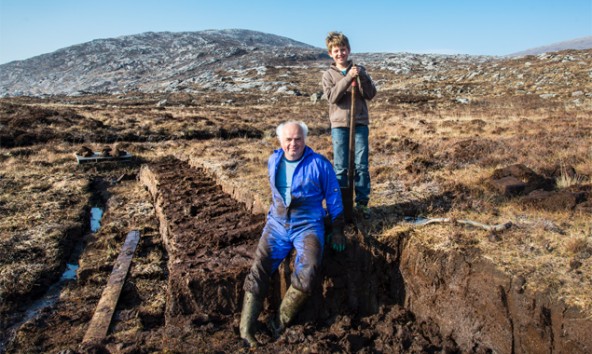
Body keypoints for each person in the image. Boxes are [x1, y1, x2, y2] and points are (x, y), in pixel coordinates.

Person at [239, 121, 346, 348]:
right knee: (260, 265)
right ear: (280, 141)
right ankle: (246, 328)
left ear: (305, 140)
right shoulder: (273, 160)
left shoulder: (319, 164)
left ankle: (277, 323)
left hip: (308, 225)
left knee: (309, 266)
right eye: (288, 139)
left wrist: (337, 228)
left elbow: (335, 199)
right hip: (277, 224)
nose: (293, 144)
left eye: (298, 139)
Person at [322, 31, 377, 219]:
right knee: (340, 167)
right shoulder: (328, 75)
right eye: (336, 51)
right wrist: (347, 79)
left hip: (359, 123)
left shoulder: (360, 70)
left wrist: (361, 77)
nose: (340, 54)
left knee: (361, 165)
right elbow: (332, 97)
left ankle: (362, 204)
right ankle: (340, 205)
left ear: (349, 50)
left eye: (343, 50)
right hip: (339, 125)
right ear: (331, 53)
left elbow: (370, 94)